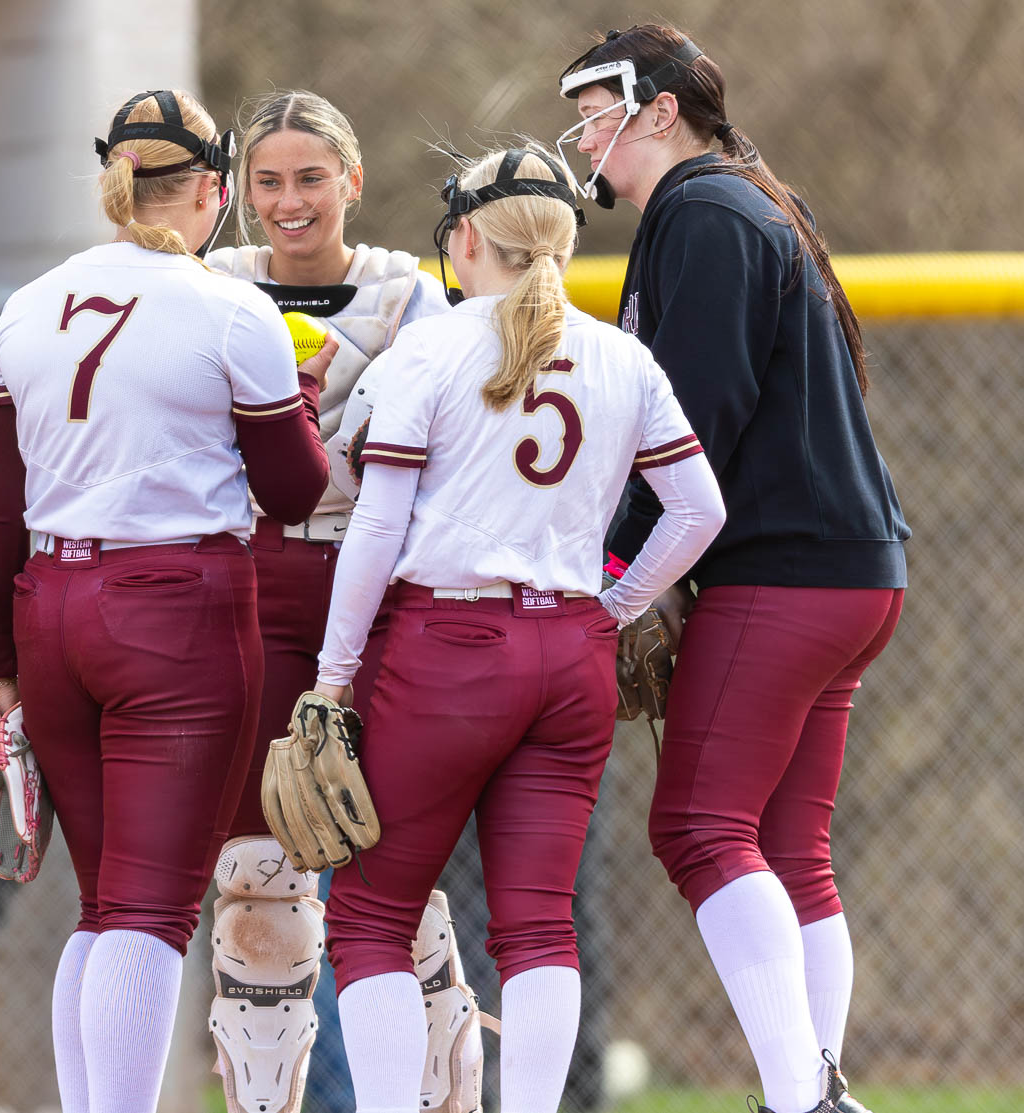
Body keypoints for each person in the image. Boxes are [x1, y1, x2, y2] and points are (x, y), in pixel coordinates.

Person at [314, 145, 725, 1113]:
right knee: (539, 925)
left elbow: (376, 525)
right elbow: (699, 511)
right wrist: (611, 610)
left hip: (448, 652)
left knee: (373, 915)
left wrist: (333, 675)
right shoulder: (623, 356)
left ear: (465, 239)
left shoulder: (435, 346)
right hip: (569, 651)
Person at [557, 24, 910, 1113]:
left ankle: (800, 1098)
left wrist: (603, 561)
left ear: (662, 109)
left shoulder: (701, 211)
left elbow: (689, 424)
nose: (585, 133)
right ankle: (814, 1091)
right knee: (788, 843)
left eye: (598, 107)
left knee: (699, 827)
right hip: (854, 570)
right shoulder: (739, 199)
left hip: (785, 573)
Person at [0, 89, 332, 1113]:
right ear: (216, 190)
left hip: (50, 604)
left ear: (113, 182)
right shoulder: (230, 306)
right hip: (177, 606)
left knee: (103, 908)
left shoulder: (28, 303)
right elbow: (297, 491)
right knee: (151, 910)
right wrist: (302, 397)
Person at [202, 91, 461, 1113]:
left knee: (392, 869)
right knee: (257, 869)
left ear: (352, 179)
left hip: (377, 582)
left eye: (311, 177)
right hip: (254, 579)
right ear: (240, 191)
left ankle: (442, 1092)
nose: (290, 200)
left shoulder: (407, 295)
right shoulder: (212, 285)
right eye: (268, 181)